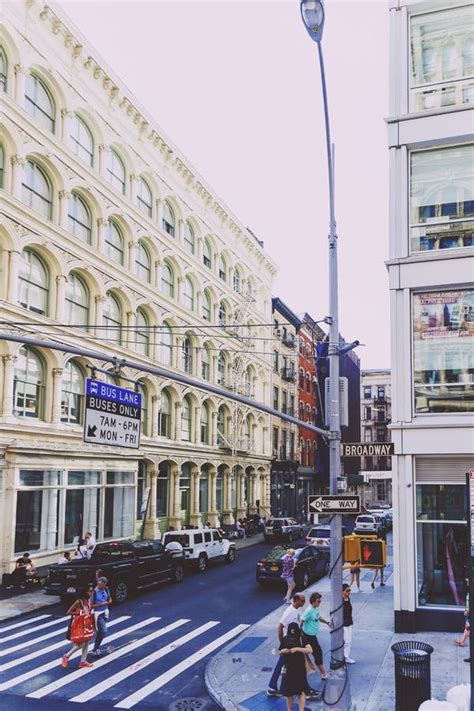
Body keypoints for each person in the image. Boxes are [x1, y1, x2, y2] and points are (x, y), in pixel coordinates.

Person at [267, 594, 319, 699]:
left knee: (292, 666)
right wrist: (282, 643)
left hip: (294, 643)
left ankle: (272, 687)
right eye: (303, 600)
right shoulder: (289, 612)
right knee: (297, 667)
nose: (304, 602)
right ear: (296, 600)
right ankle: (306, 690)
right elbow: (280, 626)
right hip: (289, 644)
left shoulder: (296, 610)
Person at [279, 622, 313, 711]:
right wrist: (284, 651)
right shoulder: (285, 639)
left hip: (300, 668)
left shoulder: (301, 638)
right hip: (288, 668)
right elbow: (280, 651)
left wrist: (297, 649)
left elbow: (310, 650)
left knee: (300, 691)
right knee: (288, 692)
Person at [61, 588, 94, 669]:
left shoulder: (89, 601)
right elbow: (68, 612)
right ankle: (66, 656)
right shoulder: (79, 602)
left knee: (87, 642)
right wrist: (79, 613)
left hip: (87, 623)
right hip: (79, 625)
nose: (91, 592)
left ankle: (83, 661)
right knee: (81, 644)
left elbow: (88, 611)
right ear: (85, 592)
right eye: (89, 591)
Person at [301, 592, 330, 680]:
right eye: (318, 601)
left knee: (315, 653)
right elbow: (302, 621)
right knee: (318, 653)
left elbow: (318, 617)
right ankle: (323, 673)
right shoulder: (309, 610)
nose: (320, 603)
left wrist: (327, 622)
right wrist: (300, 634)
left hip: (313, 636)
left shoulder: (315, 609)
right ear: (313, 602)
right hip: (308, 636)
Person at [91, 576, 112, 656]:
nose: (101, 587)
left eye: (102, 585)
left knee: (100, 632)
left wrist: (109, 601)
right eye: (99, 585)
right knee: (103, 631)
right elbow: (91, 605)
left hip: (105, 612)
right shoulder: (95, 592)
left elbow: (109, 598)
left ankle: (96, 648)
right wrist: (102, 604)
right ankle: (95, 649)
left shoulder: (106, 589)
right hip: (97, 613)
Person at [342, 584, 355, 664]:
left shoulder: (348, 599)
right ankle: (343, 656)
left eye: (349, 590)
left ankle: (346, 656)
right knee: (346, 641)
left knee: (349, 641)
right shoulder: (340, 601)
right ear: (342, 592)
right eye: (347, 591)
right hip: (343, 624)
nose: (349, 592)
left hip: (349, 622)